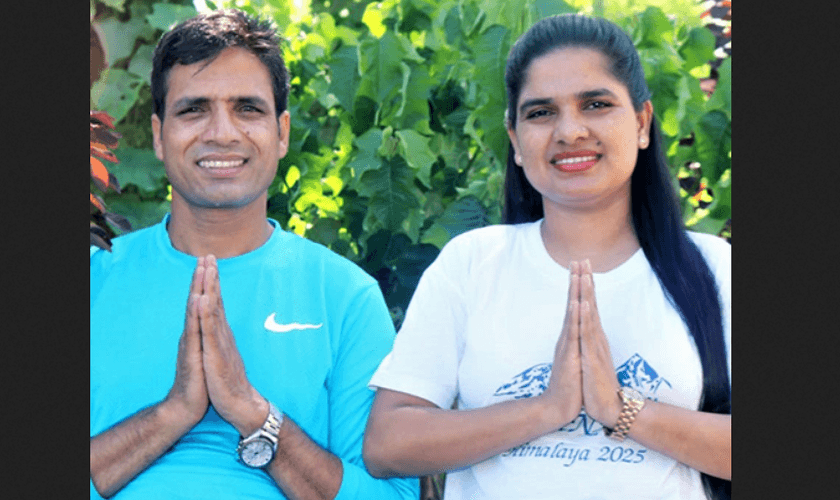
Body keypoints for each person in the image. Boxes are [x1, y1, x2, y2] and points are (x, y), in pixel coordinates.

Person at [363, 14, 730, 500]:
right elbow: (388, 444)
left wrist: (619, 407)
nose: (570, 130)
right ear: (515, 140)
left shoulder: (715, 266)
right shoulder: (472, 263)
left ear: (642, 124)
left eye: (596, 104)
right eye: (541, 113)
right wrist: (548, 408)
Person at [89, 10, 418, 500]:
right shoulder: (94, 278)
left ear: (282, 132)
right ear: (159, 136)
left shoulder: (345, 297)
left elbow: (391, 497)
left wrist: (253, 413)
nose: (222, 132)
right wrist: (172, 413)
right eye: (193, 109)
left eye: (247, 108)